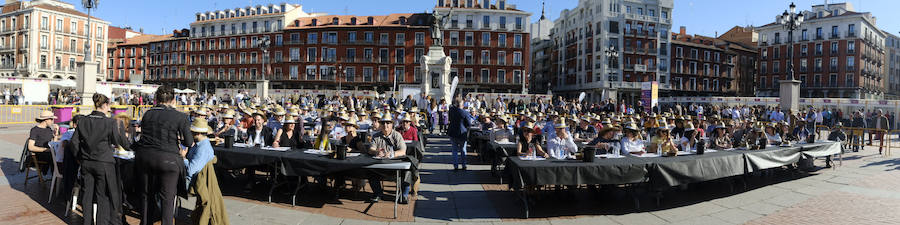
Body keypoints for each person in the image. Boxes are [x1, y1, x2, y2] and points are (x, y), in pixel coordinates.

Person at [133, 86, 193, 225]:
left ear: (156, 99)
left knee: (147, 196)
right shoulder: (180, 116)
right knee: (167, 199)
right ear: (173, 100)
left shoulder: (148, 114)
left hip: (146, 157)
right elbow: (189, 142)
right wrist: (179, 141)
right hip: (169, 159)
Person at [70, 94, 131, 225]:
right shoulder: (110, 122)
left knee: (87, 195)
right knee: (102, 196)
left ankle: (87, 222)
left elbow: (74, 142)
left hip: (87, 161)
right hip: (104, 162)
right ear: (105, 105)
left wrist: (79, 157)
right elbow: (119, 142)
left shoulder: (83, 120)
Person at [366, 113, 408, 203]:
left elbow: (403, 151)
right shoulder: (376, 136)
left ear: (392, 124)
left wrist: (392, 154)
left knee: (407, 173)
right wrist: (376, 152)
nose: (385, 125)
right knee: (370, 172)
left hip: (395, 165)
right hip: (380, 166)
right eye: (383, 123)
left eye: (388, 123)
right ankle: (377, 193)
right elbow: (370, 149)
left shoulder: (397, 135)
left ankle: (404, 195)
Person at [183, 118, 214, 190]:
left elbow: (190, 171)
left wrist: (183, 158)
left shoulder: (203, 148)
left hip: (191, 181)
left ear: (198, 133)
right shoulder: (200, 144)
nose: (190, 134)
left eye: (192, 132)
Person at [448, 98, 473, 171]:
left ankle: (455, 166)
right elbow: (469, 124)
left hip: (452, 132)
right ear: (462, 105)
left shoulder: (452, 111)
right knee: (463, 150)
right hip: (462, 133)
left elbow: (450, 119)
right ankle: (464, 165)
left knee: (454, 150)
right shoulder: (465, 113)